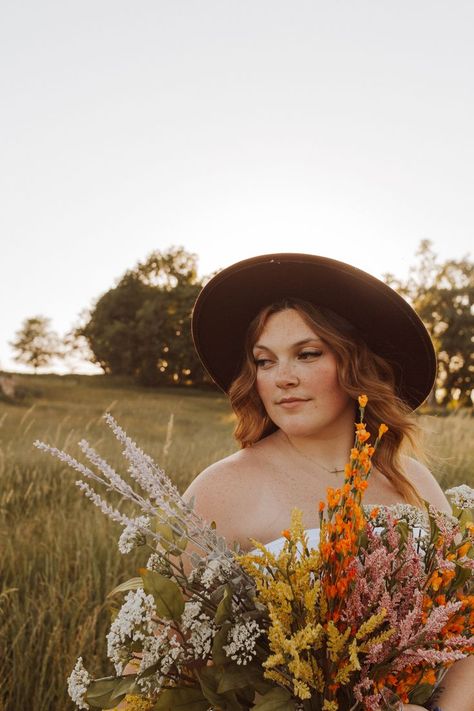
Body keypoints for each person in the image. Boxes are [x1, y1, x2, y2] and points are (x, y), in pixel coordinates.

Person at [184, 252, 474, 711]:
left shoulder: (413, 481)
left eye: (307, 354)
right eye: (264, 361)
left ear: (354, 362)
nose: (283, 378)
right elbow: (160, 657)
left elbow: (465, 634)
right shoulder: (222, 490)